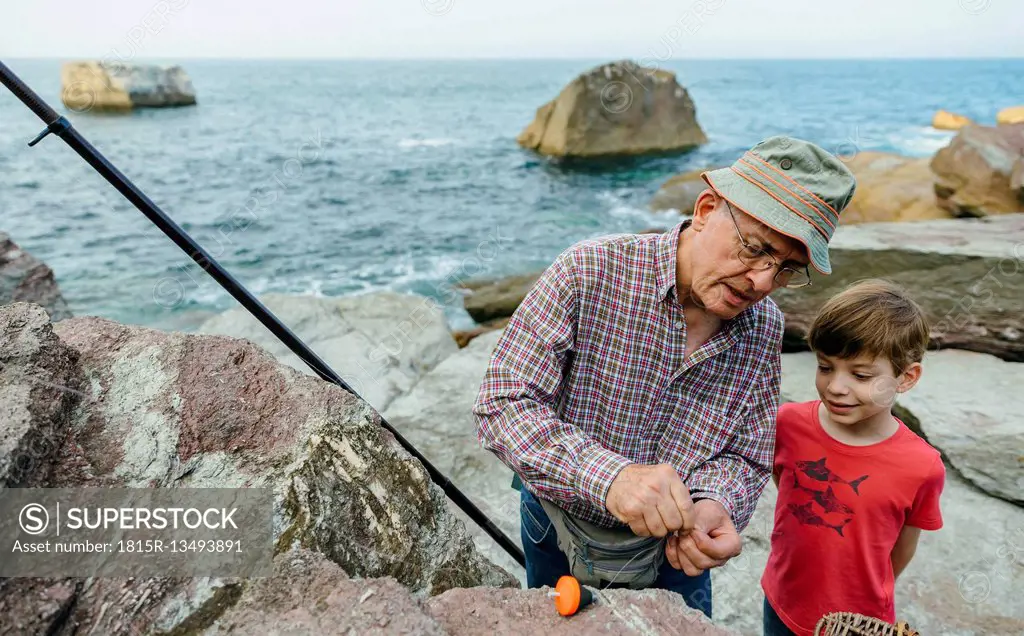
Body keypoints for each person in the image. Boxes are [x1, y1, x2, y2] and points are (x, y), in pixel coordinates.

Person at [473, 135, 857, 618]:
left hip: (678, 551)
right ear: (705, 208)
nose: (763, 282)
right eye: (755, 249)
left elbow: (747, 453)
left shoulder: (765, 327)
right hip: (558, 524)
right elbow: (503, 403)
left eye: (786, 269)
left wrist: (716, 501)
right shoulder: (588, 269)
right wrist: (610, 478)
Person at [761, 279, 946, 636]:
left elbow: (901, 551)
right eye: (826, 367)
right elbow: (785, 484)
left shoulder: (922, 466)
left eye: (860, 375)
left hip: (860, 621)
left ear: (906, 378)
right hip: (782, 601)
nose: (836, 387)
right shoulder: (788, 423)